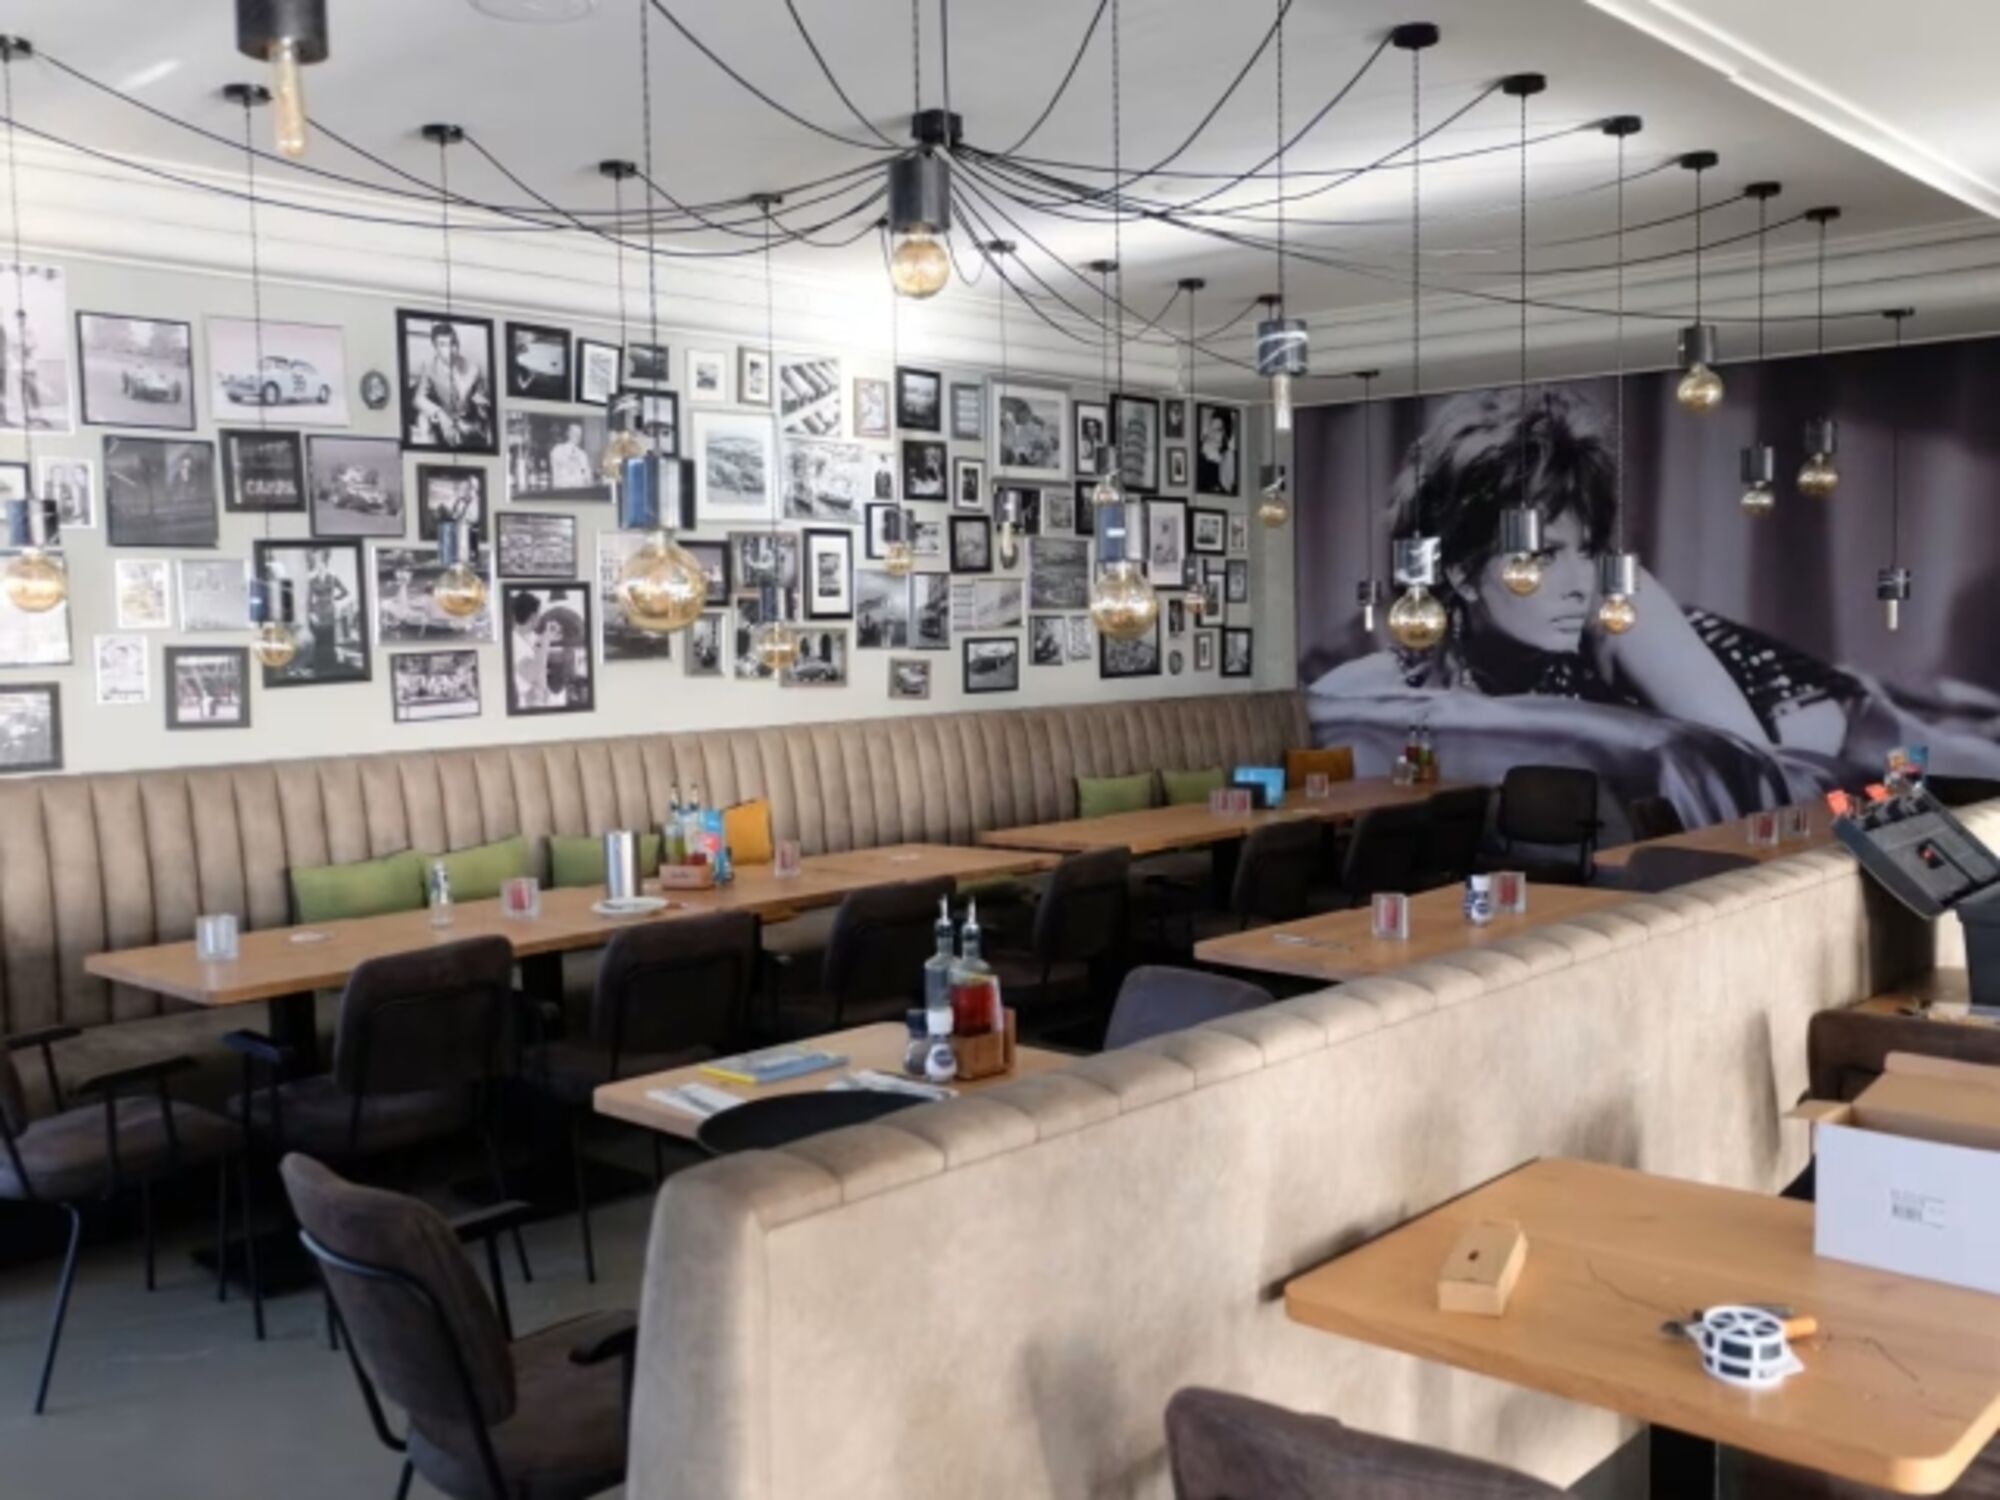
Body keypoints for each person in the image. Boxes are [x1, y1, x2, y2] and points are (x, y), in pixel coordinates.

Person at [1307, 386, 2000, 825]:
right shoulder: (1421, 649)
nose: (1579, 582)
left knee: (1980, 768)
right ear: (1460, 572)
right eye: (1543, 556)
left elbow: (1754, 772)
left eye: (1587, 550)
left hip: (1817, 711)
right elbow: (1343, 697)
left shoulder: (1617, 599)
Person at [406, 322, 492, 449]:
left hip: (468, 420)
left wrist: (482, 406)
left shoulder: (473, 368)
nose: (450, 350)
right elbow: (418, 399)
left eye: (453, 343)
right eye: (443, 345)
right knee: (423, 420)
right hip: (444, 419)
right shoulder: (429, 368)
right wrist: (439, 413)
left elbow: (481, 398)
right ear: (435, 348)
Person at [304, 548, 351, 677]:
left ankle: (329, 669)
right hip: (317, 613)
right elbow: (308, 601)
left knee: (329, 640)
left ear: (325, 563)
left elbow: (345, 592)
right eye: (317, 564)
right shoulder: (312, 581)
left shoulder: (333, 578)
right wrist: (311, 614)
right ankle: (319, 669)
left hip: (330, 612)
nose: (320, 566)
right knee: (318, 641)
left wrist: (334, 599)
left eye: (322, 563)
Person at [510, 590, 552, 709]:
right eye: (539, 613)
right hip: (526, 704)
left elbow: (539, 661)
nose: (540, 616)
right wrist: (545, 644)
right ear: (533, 616)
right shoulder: (514, 642)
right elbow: (531, 674)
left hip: (540, 699)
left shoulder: (529, 635)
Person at [548, 421, 593, 490]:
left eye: (579, 434)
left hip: (580, 491)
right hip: (562, 490)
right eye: (574, 433)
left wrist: (586, 476)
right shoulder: (558, 450)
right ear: (568, 433)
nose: (577, 436)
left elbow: (587, 475)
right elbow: (558, 471)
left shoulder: (582, 454)